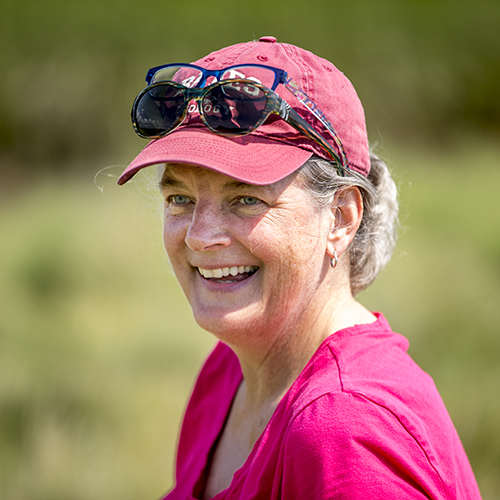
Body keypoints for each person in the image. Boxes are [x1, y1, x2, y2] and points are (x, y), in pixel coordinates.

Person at [117, 37, 481, 499]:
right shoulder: (228, 374)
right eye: (181, 199)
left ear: (341, 218)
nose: (199, 236)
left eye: (246, 198)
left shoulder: (345, 433)